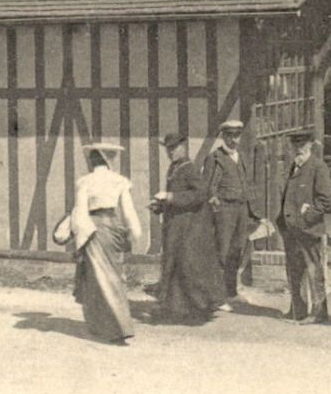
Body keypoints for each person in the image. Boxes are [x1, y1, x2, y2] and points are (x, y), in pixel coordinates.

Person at [62, 142, 144, 344]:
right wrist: (135, 232)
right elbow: (128, 210)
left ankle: (108, 325)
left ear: (92, 160)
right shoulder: (119, 181)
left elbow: (80, 211)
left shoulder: (85, 181)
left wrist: (80, 239)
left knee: (96, 278)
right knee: (113, 276)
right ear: (109, 160)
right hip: (113, 227)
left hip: (92, 228)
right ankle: (115, 325)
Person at [150, 132, 226, 323]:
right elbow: (176, 195)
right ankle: (177, 309)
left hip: (188, 227)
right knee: (174, 265)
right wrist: (159, 206)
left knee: (188, 266)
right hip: (176, 224)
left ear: (183, 148)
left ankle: (199, 309)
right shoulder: (175, 167)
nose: (170, 153)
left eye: (174, 148)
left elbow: (200, 194)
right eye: (168, 149)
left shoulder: (189, 168)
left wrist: (170, 198)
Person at [276, 128, 331, 324]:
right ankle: (297, 309)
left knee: (313, 270)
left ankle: (319, 312)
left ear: (310, 145)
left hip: (309, 229)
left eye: (302, 145)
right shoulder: (293, 166)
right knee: (294, 270)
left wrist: (306, 218)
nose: (298, 148)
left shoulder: (318, 167)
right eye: (295, 145)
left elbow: (325, 200)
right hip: (291, 229)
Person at [204, 119, 262, 308]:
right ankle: (217, 296)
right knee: (222, 251)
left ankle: (231, 292)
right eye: (230, 136)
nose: (234, 140)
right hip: (225, 211)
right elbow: (208, 186)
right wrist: (215, 203)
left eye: (237, 135)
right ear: (223, 136)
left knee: (236, 250)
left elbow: (247, 182)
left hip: (241, 209)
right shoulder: (215, 158)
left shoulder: (242, 157)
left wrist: (253, 209)